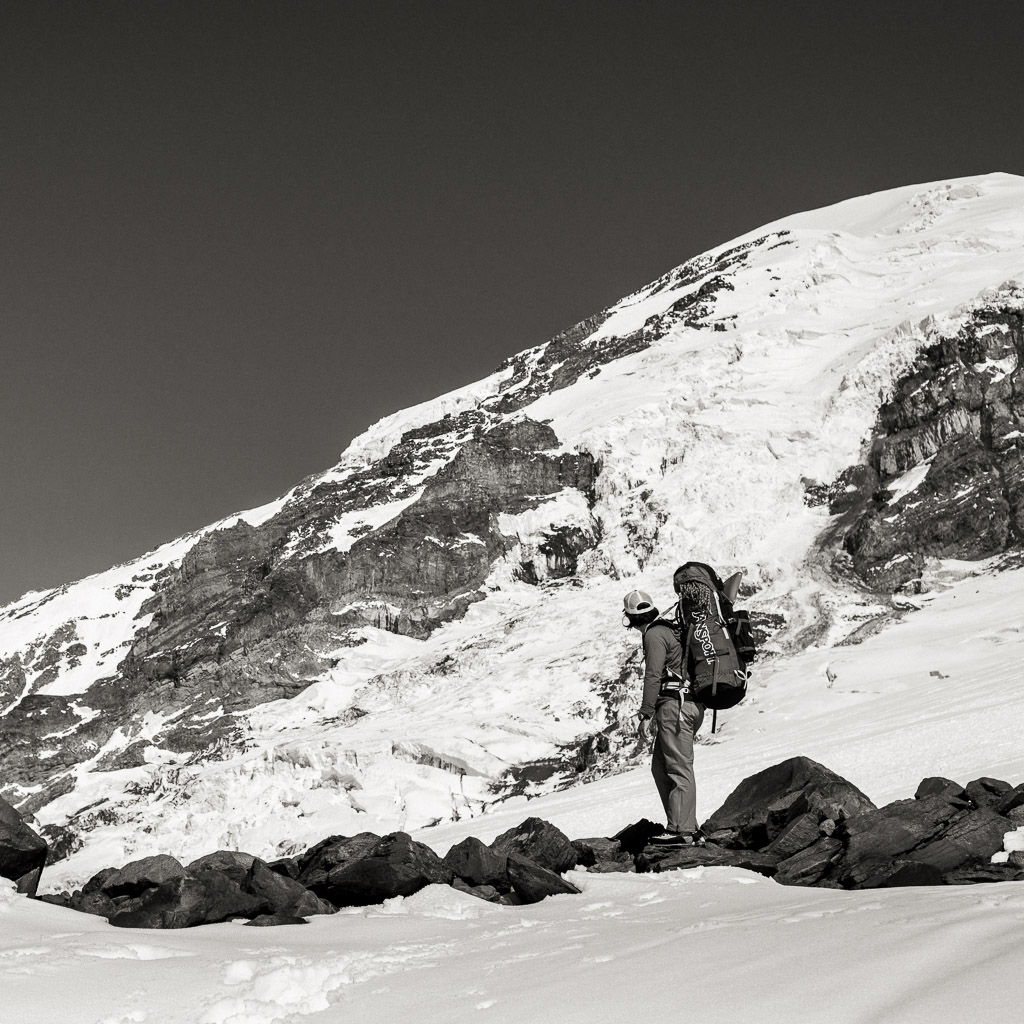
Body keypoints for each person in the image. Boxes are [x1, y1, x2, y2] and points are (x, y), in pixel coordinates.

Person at [622, 589, 706, 846]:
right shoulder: (670, 629)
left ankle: (681, 830)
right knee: (660, 768)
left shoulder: (655, 635)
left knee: (679, 768)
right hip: (687, 705)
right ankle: (686, 825)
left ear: (629, 617)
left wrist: (646, 713)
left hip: (675, 707)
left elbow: (653, 675)